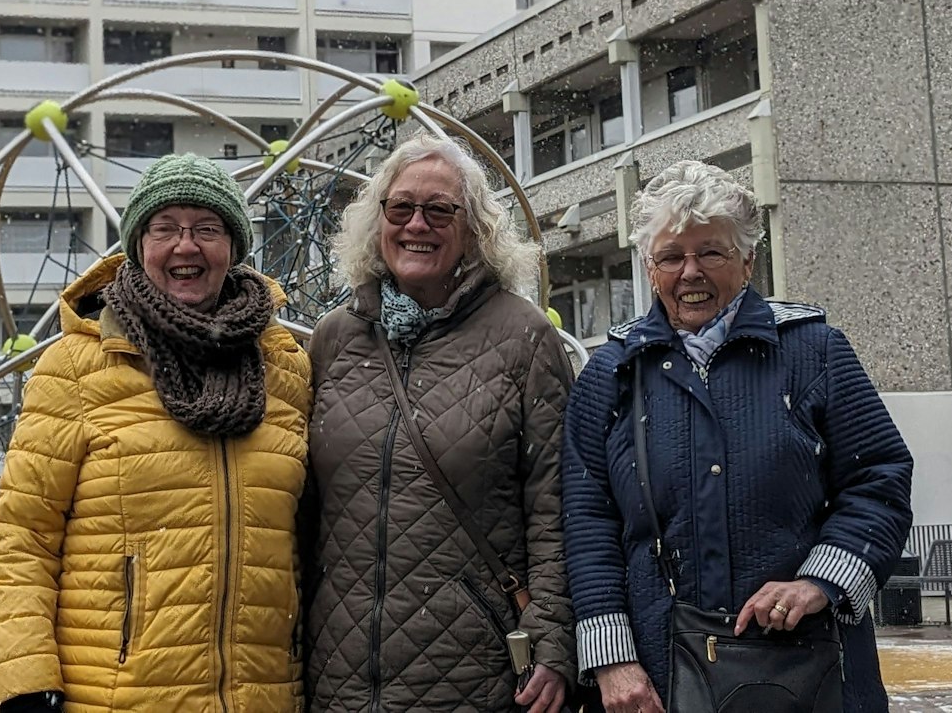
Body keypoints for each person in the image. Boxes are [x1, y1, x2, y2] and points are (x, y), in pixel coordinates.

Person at [562, 161, 913, 713]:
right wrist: (611, 660)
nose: (690, 272)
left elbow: (879, 480)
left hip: (809, 669)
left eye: (712, 252)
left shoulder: (814, 352)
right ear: (649, 268)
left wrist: (819, 583)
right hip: (657, 677)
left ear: (748, 261)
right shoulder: (610, 374)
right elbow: (587, 524)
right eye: (672, 256)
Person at [0, 154, 310, 713]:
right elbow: (24, 536)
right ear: (138, 245)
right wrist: (25, 682)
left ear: (233, 248)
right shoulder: (76, 367)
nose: (186, 247)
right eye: (165, 229)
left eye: (207, 229)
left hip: (265, 697)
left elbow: (308, 543)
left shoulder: (285, 369)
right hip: (117, 697)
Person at [304, 134, 575, 713]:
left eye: (439, 210)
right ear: (378, 223)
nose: (416, 225)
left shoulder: (522, 337)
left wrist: (553, 640)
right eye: (400, 209)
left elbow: (557, 505)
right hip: (339, 669)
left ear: (474, 227)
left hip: (473, 668)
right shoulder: (335, 338)